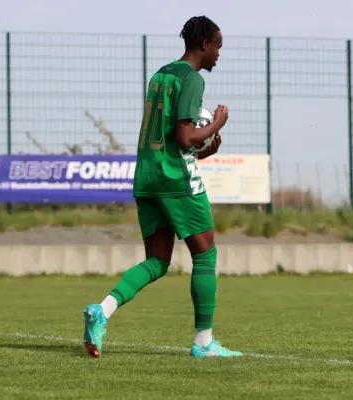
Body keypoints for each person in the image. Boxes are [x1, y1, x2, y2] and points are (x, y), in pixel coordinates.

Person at [82, 16, 243, 359]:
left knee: (157, 260)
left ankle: (102, 309)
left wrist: (205, 147)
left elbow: (175, 139)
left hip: (148, 176)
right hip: (175, 179)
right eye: (218, 47)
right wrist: (216, 123)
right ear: (204, 45)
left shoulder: (161, 75)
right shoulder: (192, 80)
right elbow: (186, 136)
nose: (218, 55)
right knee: (205, 252)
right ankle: (204, 343)